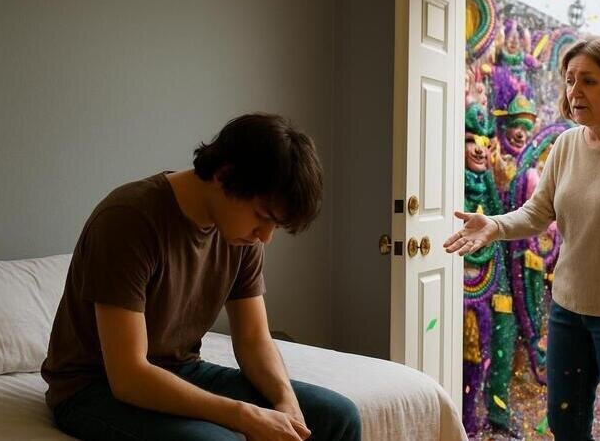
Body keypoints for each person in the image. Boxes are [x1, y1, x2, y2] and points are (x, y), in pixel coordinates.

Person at [41, 113, 362, 441]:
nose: (265, 237)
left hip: (182, 369)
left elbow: (253, 338)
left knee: (338, 417)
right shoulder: (128, 220)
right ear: (224, 176)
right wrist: (243, 415)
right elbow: (128, 375)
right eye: (262, 217)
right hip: (94, 387)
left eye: (275, 225)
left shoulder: (242, 235)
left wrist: (286, 402)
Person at [444, 36, 600, 440]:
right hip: (568, 312)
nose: (574, 91)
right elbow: (537, 213)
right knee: (565, 423)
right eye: (569, 80)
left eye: (589, 81)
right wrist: (493, 225)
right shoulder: (567, 144)